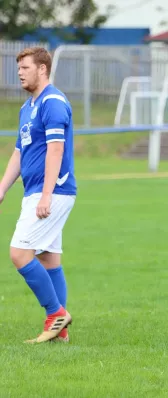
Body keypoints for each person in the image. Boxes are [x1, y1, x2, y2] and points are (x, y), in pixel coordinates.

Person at [0, 47, 76, 343]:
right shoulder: (26, 108)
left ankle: (55, 315)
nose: (20, 72)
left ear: (42, 69)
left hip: (52, 192)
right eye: (18, 68)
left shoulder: (53, 102)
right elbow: (20, 151)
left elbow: (56, 150)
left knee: (19, 253)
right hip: (35, 191)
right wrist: (3, 187)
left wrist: (46, 195)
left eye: (26, 67)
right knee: (48, 258)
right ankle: (62, 332)